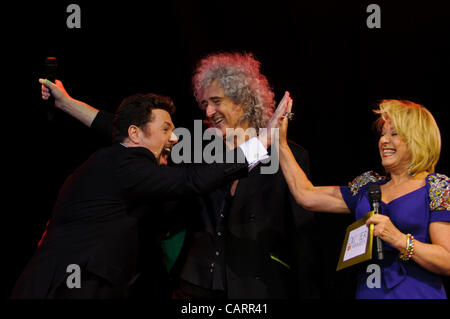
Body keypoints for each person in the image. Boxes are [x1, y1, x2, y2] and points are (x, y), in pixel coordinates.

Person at [38, 52, 318, 299]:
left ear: (242, 100)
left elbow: (302, 234)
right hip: (195, 284)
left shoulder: (288, 153)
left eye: (216, 101)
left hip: (257, 284)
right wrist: (68, 104)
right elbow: (130, 132)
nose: (208, 111)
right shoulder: (199, 146)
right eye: (205, 102)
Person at [278, 98, 450, 298]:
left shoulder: (436, 187)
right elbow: (306, 195)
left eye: (394, 134)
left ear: (417, 139)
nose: (384, 140)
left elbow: (446, 260)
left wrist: (399, 239)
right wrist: (281, 143)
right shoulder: (369, 186)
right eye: (383, 134)